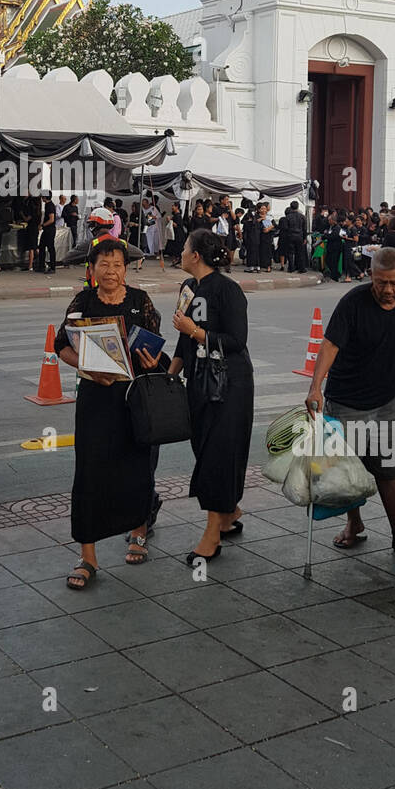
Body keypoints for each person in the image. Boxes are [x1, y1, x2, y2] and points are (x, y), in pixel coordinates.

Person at [305, 246, 395, 557]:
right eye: (381, 282)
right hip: (347, 401)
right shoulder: (354, 302)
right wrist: (315, 387)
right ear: (371, 276)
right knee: (348, 472)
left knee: (385, 468)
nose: (387, 289)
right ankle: (354, 524)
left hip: (384, 400)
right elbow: (329, 345)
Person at [53, 236, 165, 589]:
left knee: (137, 465)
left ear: (126, 269)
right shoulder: (83, 301)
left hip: (133, 398)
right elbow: (61, 345)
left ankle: (138, 530)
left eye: (117, 265)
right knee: (90, 471)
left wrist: (152, 359)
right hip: (95, 400)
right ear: (92, 269)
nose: (111, 271)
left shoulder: (140, 301)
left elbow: (155, 348)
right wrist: (85, 365)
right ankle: (88, 556)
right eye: (104, 264)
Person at [168, 229, 254, 562]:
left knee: (219, 453)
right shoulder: (187, 288)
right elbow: (181, 338)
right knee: (204, 448)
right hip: (198, 382)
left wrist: (197, 332)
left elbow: (237, 340)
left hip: (229, 384)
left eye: (185, 247)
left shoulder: (228, 290)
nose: (182, 251)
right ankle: (228, 512)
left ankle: (212, 533)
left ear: (196, 255)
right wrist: (170, 376)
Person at [283, 201, 308, 272]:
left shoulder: (287, 217)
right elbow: (304, 228)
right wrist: (305, 238)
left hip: (290, 236)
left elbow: (285, 228)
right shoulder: (302, 217)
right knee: (300, 252)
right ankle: (301, 268)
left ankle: (291, 268)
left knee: (290, 253)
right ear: (298, 207)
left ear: (290, 207)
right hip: (300, 236)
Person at [36, 193, 57, 274]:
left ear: (45, 197)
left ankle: (52, 267)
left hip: (49, 230)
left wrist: (42, 225)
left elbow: (51, 219)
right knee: (41, 246)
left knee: (50, 248)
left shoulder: (50, 206)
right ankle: (41, 266)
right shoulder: (48, 205)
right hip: (47, 229)